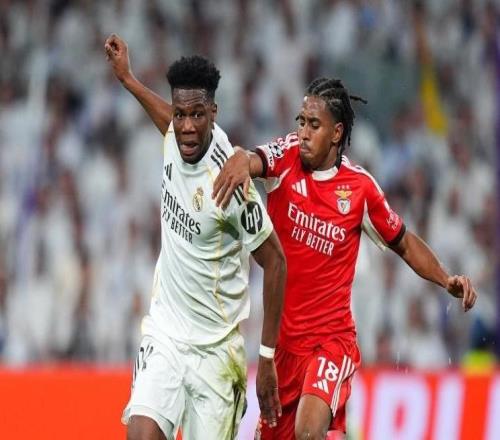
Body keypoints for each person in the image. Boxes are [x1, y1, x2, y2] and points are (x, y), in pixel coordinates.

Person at [106, 36, 478, 439]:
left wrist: (446, 278)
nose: (302, 132)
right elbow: (253, 159)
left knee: (308, 430)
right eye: (300, 122)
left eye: (313, 125)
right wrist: (240, 160)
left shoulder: (359, 190)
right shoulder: (285, 157)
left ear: (336, 133)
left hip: (330, 342)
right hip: (283, 349)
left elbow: (403, 241)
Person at [105, 34, 286, 440]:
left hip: (215, 353)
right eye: (181, 114)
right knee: (141, 434)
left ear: (213, 113)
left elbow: (275, 261)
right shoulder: (174, 134)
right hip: (166, 333)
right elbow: (165, 119)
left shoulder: (231, 182)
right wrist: (128, 79)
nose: (186, 127)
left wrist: (266, 357)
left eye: (197, 115)